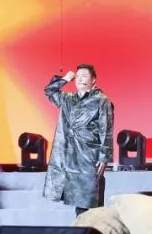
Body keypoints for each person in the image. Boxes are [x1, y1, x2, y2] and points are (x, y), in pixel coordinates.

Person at [43, 64, 114, 216]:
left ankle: (93, 229)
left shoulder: (101, 100)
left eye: (84, 75)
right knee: (78, 203)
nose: (80, 78)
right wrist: (64, 79)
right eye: (78, 76)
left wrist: (104, 157)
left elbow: (106, 129)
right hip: (70, 156)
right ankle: (82, 228)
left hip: (89, 155)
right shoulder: (68, 99)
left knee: (90, 201)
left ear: (93, 80)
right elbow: (49, 91)